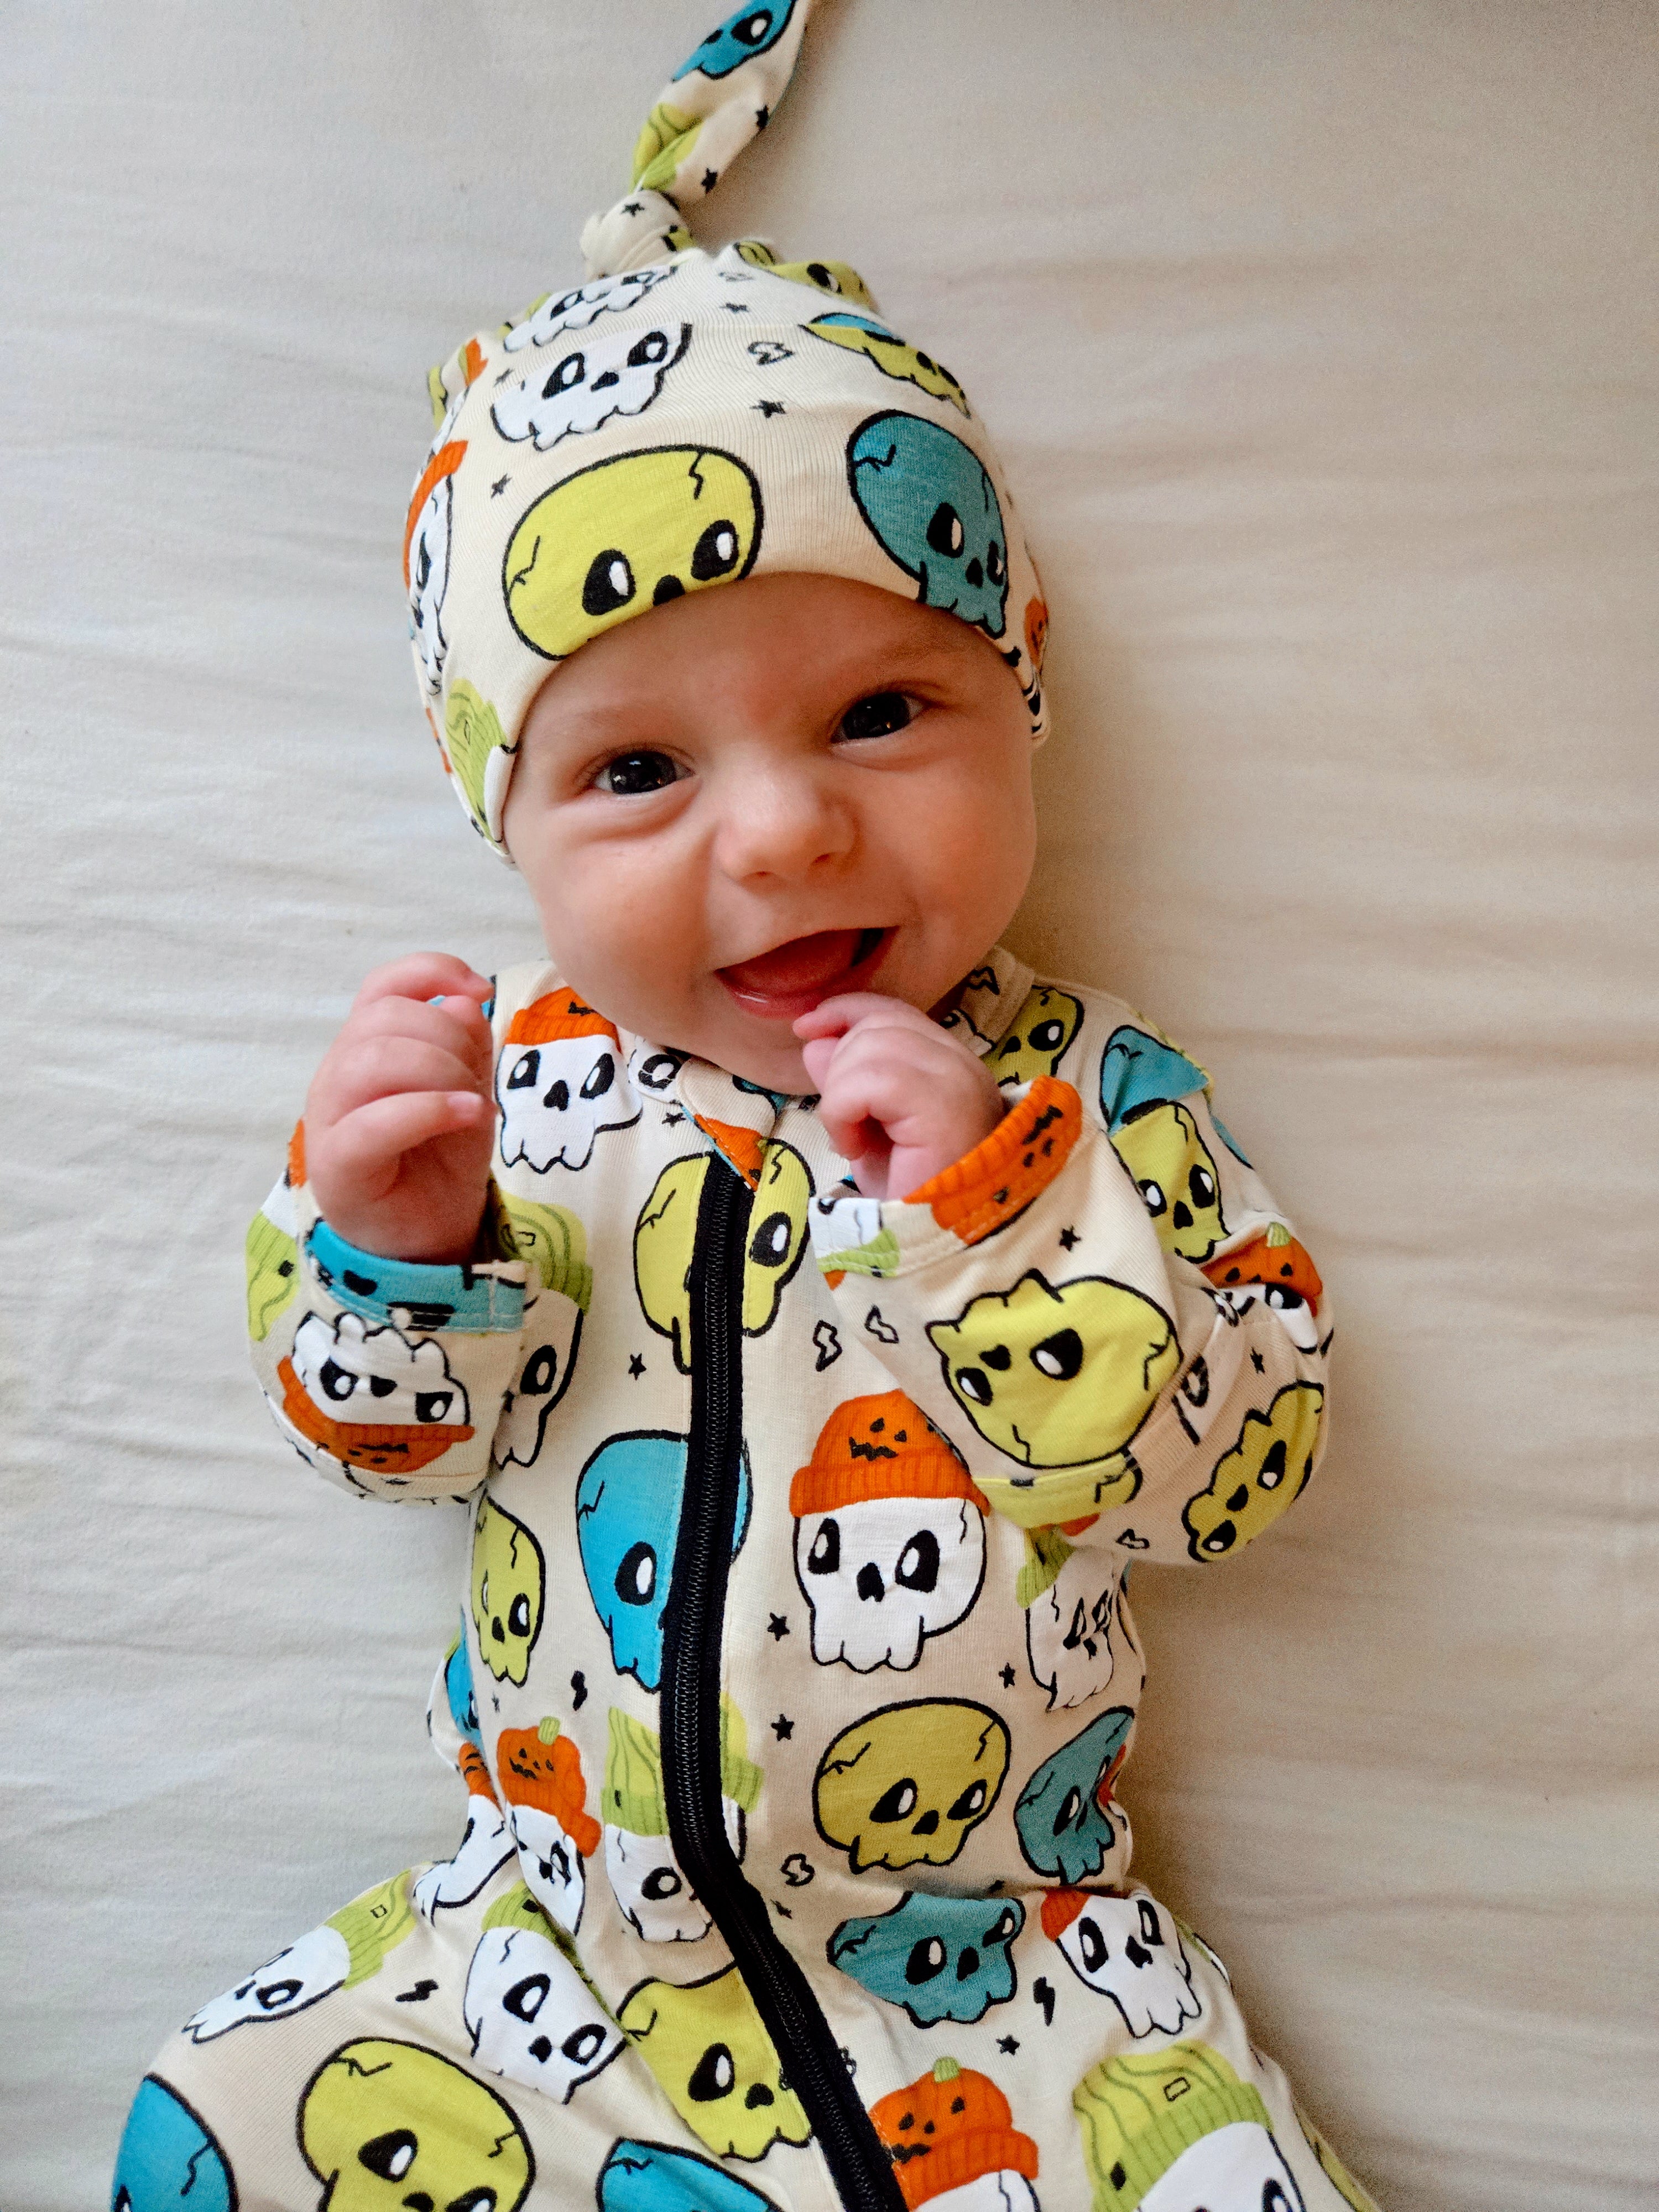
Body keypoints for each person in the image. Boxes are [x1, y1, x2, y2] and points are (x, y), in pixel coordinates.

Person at [114, 8, 1377, 2208]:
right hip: (549, 1965)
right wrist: (392, 1250)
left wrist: (1004, 1207)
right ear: (507, 827)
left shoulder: (1090, 1096)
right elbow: (375, 1442)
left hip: (1007, 1977)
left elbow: (1239, 1469)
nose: (785, 835)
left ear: (1021, 696)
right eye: (638, 769)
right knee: (222, 2116)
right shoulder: (512, 1100)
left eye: (882, 711)